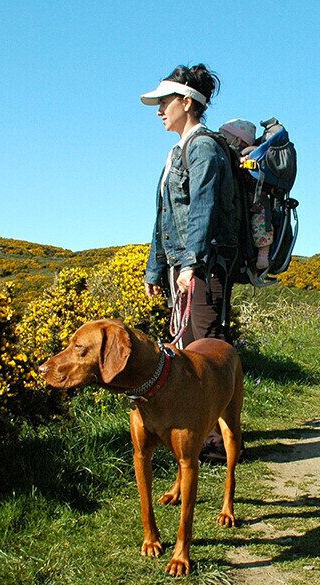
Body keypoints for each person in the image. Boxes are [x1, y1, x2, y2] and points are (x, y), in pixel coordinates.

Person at [140, 64, 238, 464]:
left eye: (165, 101)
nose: (159, 109)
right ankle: (196, 436)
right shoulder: (175, 152)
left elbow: (204, 208)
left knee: (206, 351)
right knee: (185, 349)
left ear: (187, 102)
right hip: (183, 266)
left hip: (204, 266)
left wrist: (192, 265)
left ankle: (217, 443)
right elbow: (164, 215)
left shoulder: (203, 148)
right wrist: (155, 268)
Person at [220, 118, 273, 271]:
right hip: (243, 197)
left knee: (261, 222)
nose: (221, 137)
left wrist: (244, 162)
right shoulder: (230, 151)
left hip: (255, 198)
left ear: (237, 139)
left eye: (225, 135)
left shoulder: (250, 153)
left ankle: (264, 252)